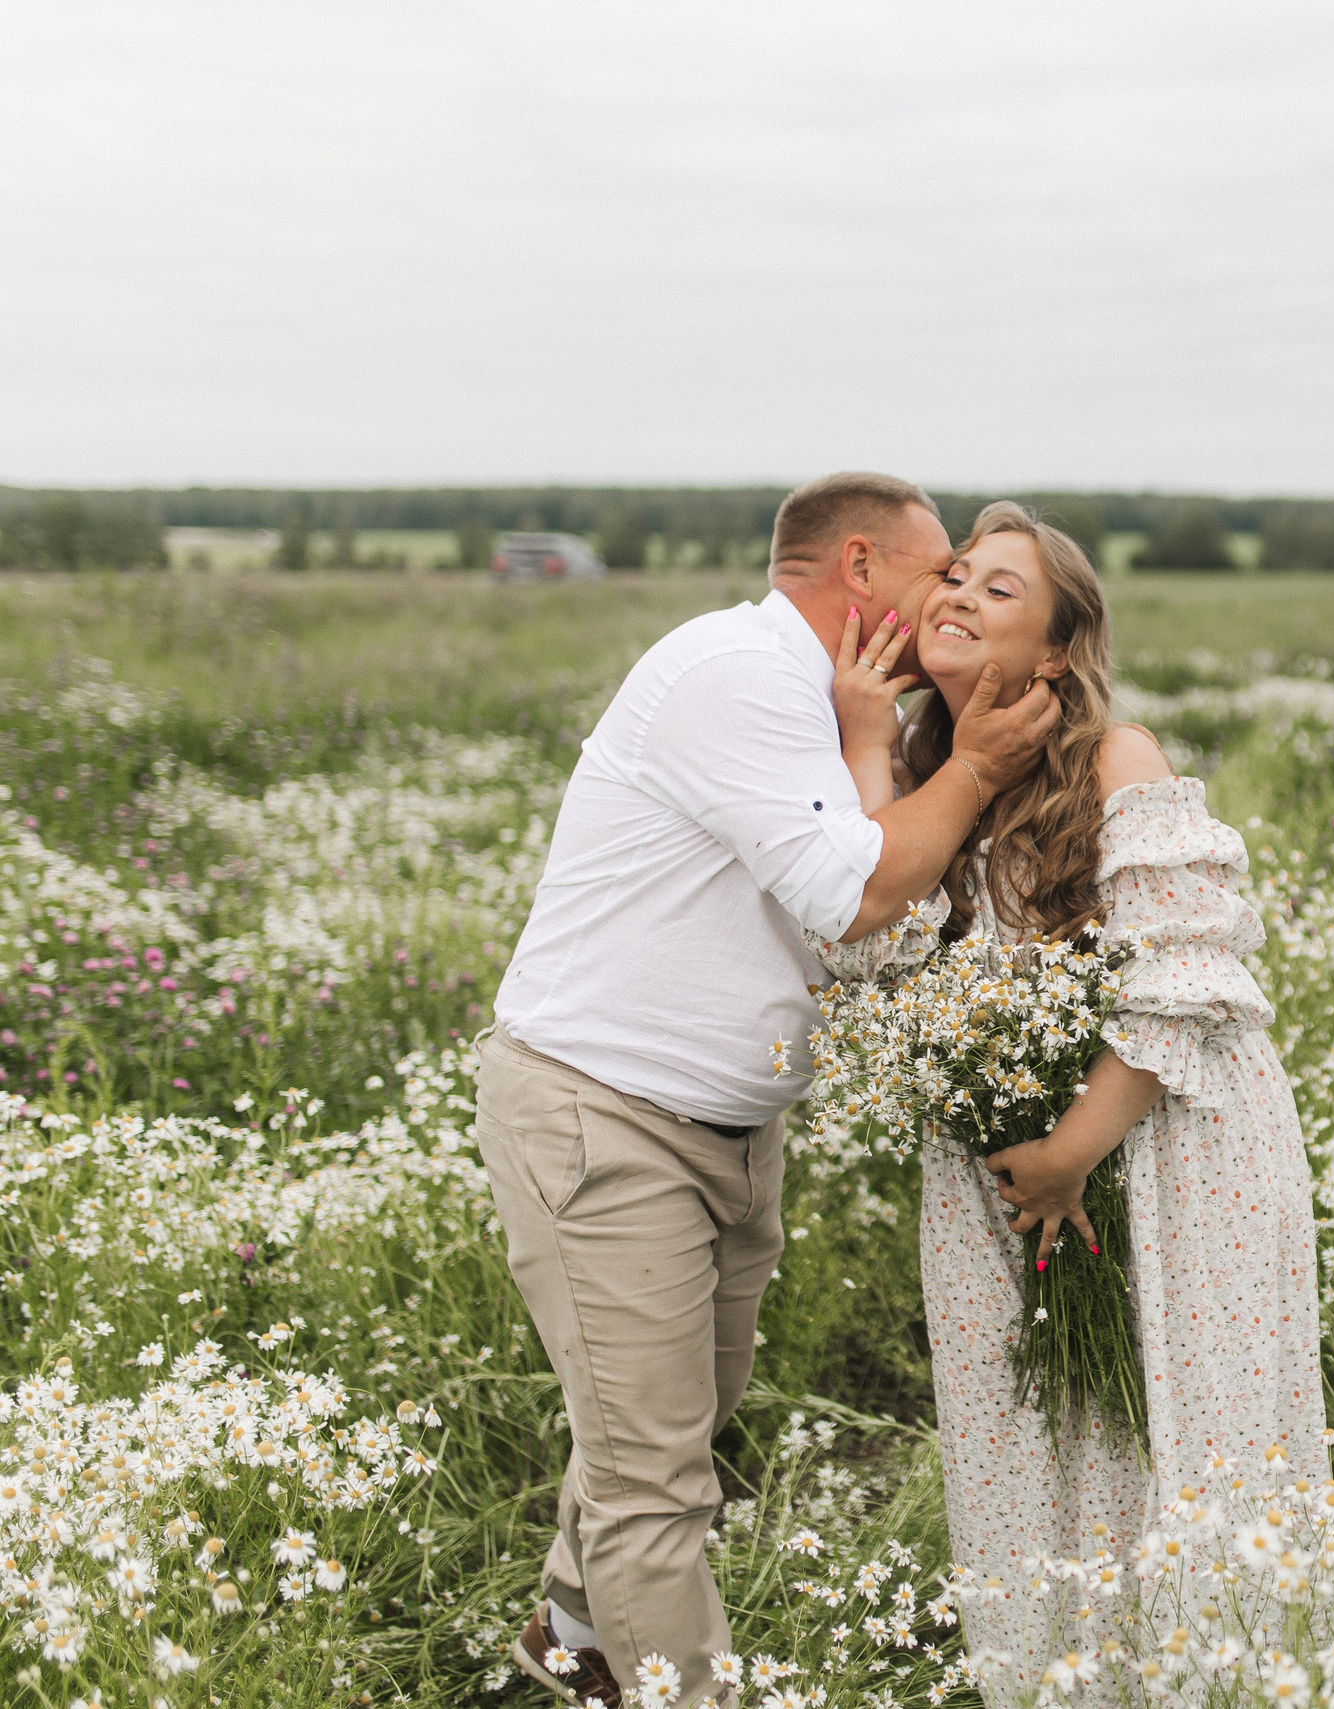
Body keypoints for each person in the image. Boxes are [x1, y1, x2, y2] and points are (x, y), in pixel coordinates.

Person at [478, 473, 1060, 1709]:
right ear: (860, 570)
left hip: (727, 1127)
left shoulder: (835, 699)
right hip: (606, 1113)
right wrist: (979, 763)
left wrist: (886, 741)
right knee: (655, 1476)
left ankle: (574, 1628)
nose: (951, 588)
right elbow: (852, 896)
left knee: (681, 1422)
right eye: (939, 567)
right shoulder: (734, 672)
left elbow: (862, 914)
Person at [813, 501, 1325, 1706]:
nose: (955, 596)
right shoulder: (936, 775)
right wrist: (864, 741)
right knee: (1033, 1433)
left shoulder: (1115, 758)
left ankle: (1212, 1675)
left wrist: (1070, 1151)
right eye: (952, 578)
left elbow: (1187, 977)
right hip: (1006, 1164)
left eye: (997, 590)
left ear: (1054, 651)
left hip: (1154, 1143)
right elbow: (863, 953)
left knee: (1171, 1416)